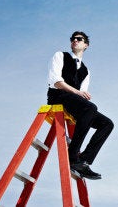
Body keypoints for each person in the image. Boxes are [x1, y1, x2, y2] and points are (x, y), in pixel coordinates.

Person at [47, 31, 114, 180]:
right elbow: (56, 82)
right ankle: (72, 156)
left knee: (107, 124)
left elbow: (82, 93)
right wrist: (78, 93)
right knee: (90, 108)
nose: (75, 41)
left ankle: (83, 160)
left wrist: (82, 95)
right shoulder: (60, 55)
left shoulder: (86, 71)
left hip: (74, 102)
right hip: (58, 96)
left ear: (86, 45)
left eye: (79, 39)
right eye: (73, 39)